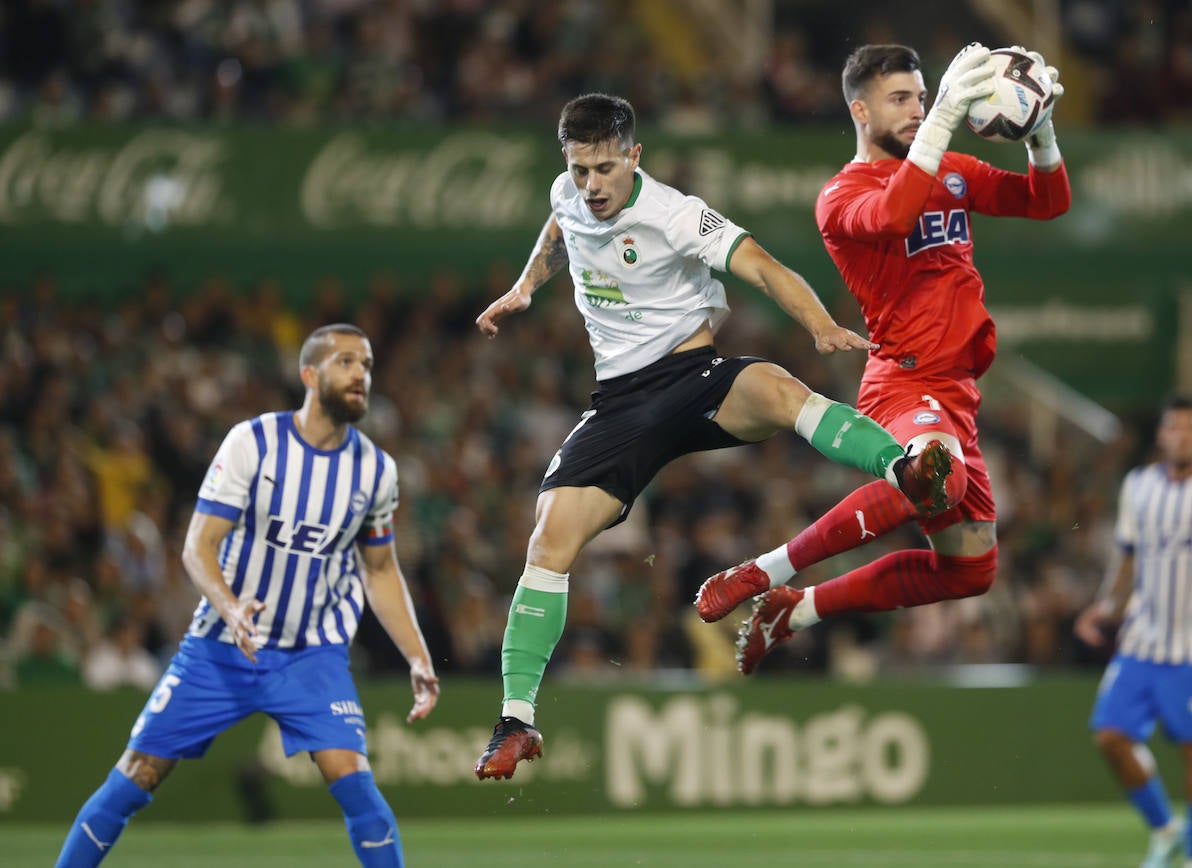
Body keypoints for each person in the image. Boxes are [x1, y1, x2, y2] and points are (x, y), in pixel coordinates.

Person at [471, 92, 944, 780]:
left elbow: (763, 266)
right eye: (579, 170)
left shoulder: (675, 213)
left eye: (605, 169)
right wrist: (525, 288)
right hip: (621, 403)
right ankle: (516, 720)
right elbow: (559, 227)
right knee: (548, 539)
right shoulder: (569, 193)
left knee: (782, 392)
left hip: (696, 379)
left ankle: (901, 467)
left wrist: (817, 323)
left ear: (634, 156)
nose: (591, 185)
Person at [693, 42, 1072, 674]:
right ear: (860, 111)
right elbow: (896, 215)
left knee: (971, 569)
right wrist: (948, 121)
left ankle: (798, 608)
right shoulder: (840, 196)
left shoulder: (950, 168)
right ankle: (763, 571)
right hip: (903, 381)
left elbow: (1047, 201)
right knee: (929, 480)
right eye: (902, 99)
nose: (919, 110)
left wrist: (1043, 131)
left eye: (923, 97)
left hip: (956, 392)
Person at [56, 324, 440, 868]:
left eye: (368, 365)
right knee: (135, 777)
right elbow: (198, 545)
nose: (361, 375)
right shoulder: (253, 443)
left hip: (312, 655)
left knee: (359, 791)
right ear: (310, 375)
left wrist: (418, 656)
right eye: (347, 362)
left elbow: (380, 570)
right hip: (221, 648)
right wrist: (230, 606)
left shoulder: (377, 471)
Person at [1073, 396, 1192, 868]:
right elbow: (1127, 556)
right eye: (1174, 428)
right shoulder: (1139, 485)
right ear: (1162, 436)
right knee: (1109, 736)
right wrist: (1106, 607)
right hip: (1143, 638)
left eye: (1191, 428)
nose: (1182, 436)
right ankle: (1166, 828)